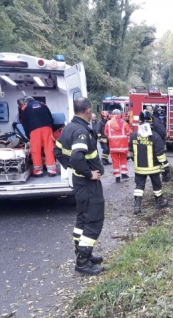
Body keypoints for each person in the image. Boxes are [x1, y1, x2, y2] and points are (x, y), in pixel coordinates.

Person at [53, 97, 105, 276]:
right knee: (95, 220)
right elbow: (76, 156)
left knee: (82, 218)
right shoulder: (81, 131)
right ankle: (82, 262)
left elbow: (57, 150)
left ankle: (83, 253)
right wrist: (88, 173)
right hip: (88, 184)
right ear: (88, 110)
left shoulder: (68, 128)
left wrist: (72, 168)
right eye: (92, 111)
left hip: (79, 183)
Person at [130, 110, 169, 215]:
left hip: (139, 168)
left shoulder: (134, 135)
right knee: (157, 185)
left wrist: (136, 161)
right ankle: (159, 202)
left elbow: (131, 152)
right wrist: (165, 165)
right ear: (151, 121)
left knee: (139, 186)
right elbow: (160, 153)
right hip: (154, 168)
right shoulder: (155, 136)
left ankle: (137, 206)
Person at [21, 96, 56, 177]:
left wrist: (28, 136)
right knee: (49, 148)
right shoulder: (43, 105)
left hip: (34, 130)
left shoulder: (24, 108)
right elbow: (51, 118)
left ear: (26, 102)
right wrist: (51, 128)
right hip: (47, 128)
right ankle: (52, 171)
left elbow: (25, 124)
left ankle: (38, 171)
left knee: (36, 150)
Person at [105, 109, 131, 183]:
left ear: (112, 114)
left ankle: (117, 177)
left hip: (113, 146)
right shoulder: (124, 123)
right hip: (123, 146)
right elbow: (129, 132)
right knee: (123, 160)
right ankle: (124, 174)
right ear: (120, 114)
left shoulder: (108, 123)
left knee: (115, 161)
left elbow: (106, 133)